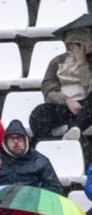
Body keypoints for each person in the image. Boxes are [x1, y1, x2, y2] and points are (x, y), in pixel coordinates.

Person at [31, 26, 92, 165]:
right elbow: (48, 88)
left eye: (76, 46)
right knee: (39, 113)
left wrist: (83, 64)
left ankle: (75, 127)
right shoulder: (57, 62)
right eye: (69, 46)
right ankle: (45, 146)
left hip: (87, 108)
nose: (71, 49)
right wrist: (66, 100)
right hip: (64, 105)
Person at [0, 120, 62, 196]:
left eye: (19, 138)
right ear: (5, 142)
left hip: (30, 207)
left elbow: (56, 189)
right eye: (12, 138)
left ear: (26, 140)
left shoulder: (40, 160)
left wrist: (33, 193)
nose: (16, 142)